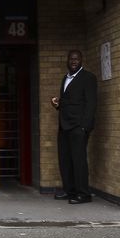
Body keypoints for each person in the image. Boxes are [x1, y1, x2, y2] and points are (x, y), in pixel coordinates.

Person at [50, 49, 97, 204]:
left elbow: (90, 104)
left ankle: (83, 194)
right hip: (64, 126)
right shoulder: (65, 78)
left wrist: (85, 127)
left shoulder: (88, 78)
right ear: (67, 61)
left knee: (79, 161)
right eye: (71, 59)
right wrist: (58, 104)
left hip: (78, 127)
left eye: (76, 59)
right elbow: (70, 102)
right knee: (65, 160)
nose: (73, 62)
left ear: (81, 60)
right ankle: (69, 190)